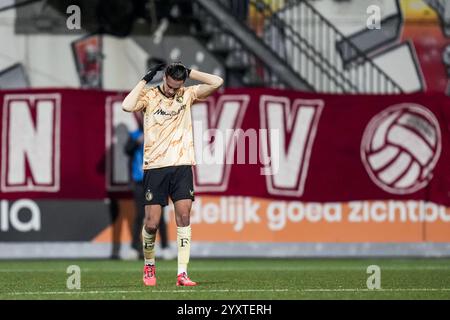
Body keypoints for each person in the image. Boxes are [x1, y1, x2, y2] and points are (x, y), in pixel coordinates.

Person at [122, 62, 223, 286]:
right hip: (156, 166)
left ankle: (182, 273)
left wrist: (191, 72)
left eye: (177, 86)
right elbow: (127, 106)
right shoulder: (149, 95)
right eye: (169, 85)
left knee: (184, 217)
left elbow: (217, 82)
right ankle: (149, 265)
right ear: (165, 78)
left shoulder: (186, 95)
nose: (172, 90)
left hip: (182, 165)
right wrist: (145, 79)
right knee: (151, 223)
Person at [123, 119, 174, 261]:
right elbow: (127, 150)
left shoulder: (159, 132)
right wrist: (138, 141)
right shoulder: (134, 135)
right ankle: (135, 248)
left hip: (157, 179)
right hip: (140, 180)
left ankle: (165, 247)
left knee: (159, 216)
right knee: (140, 215)